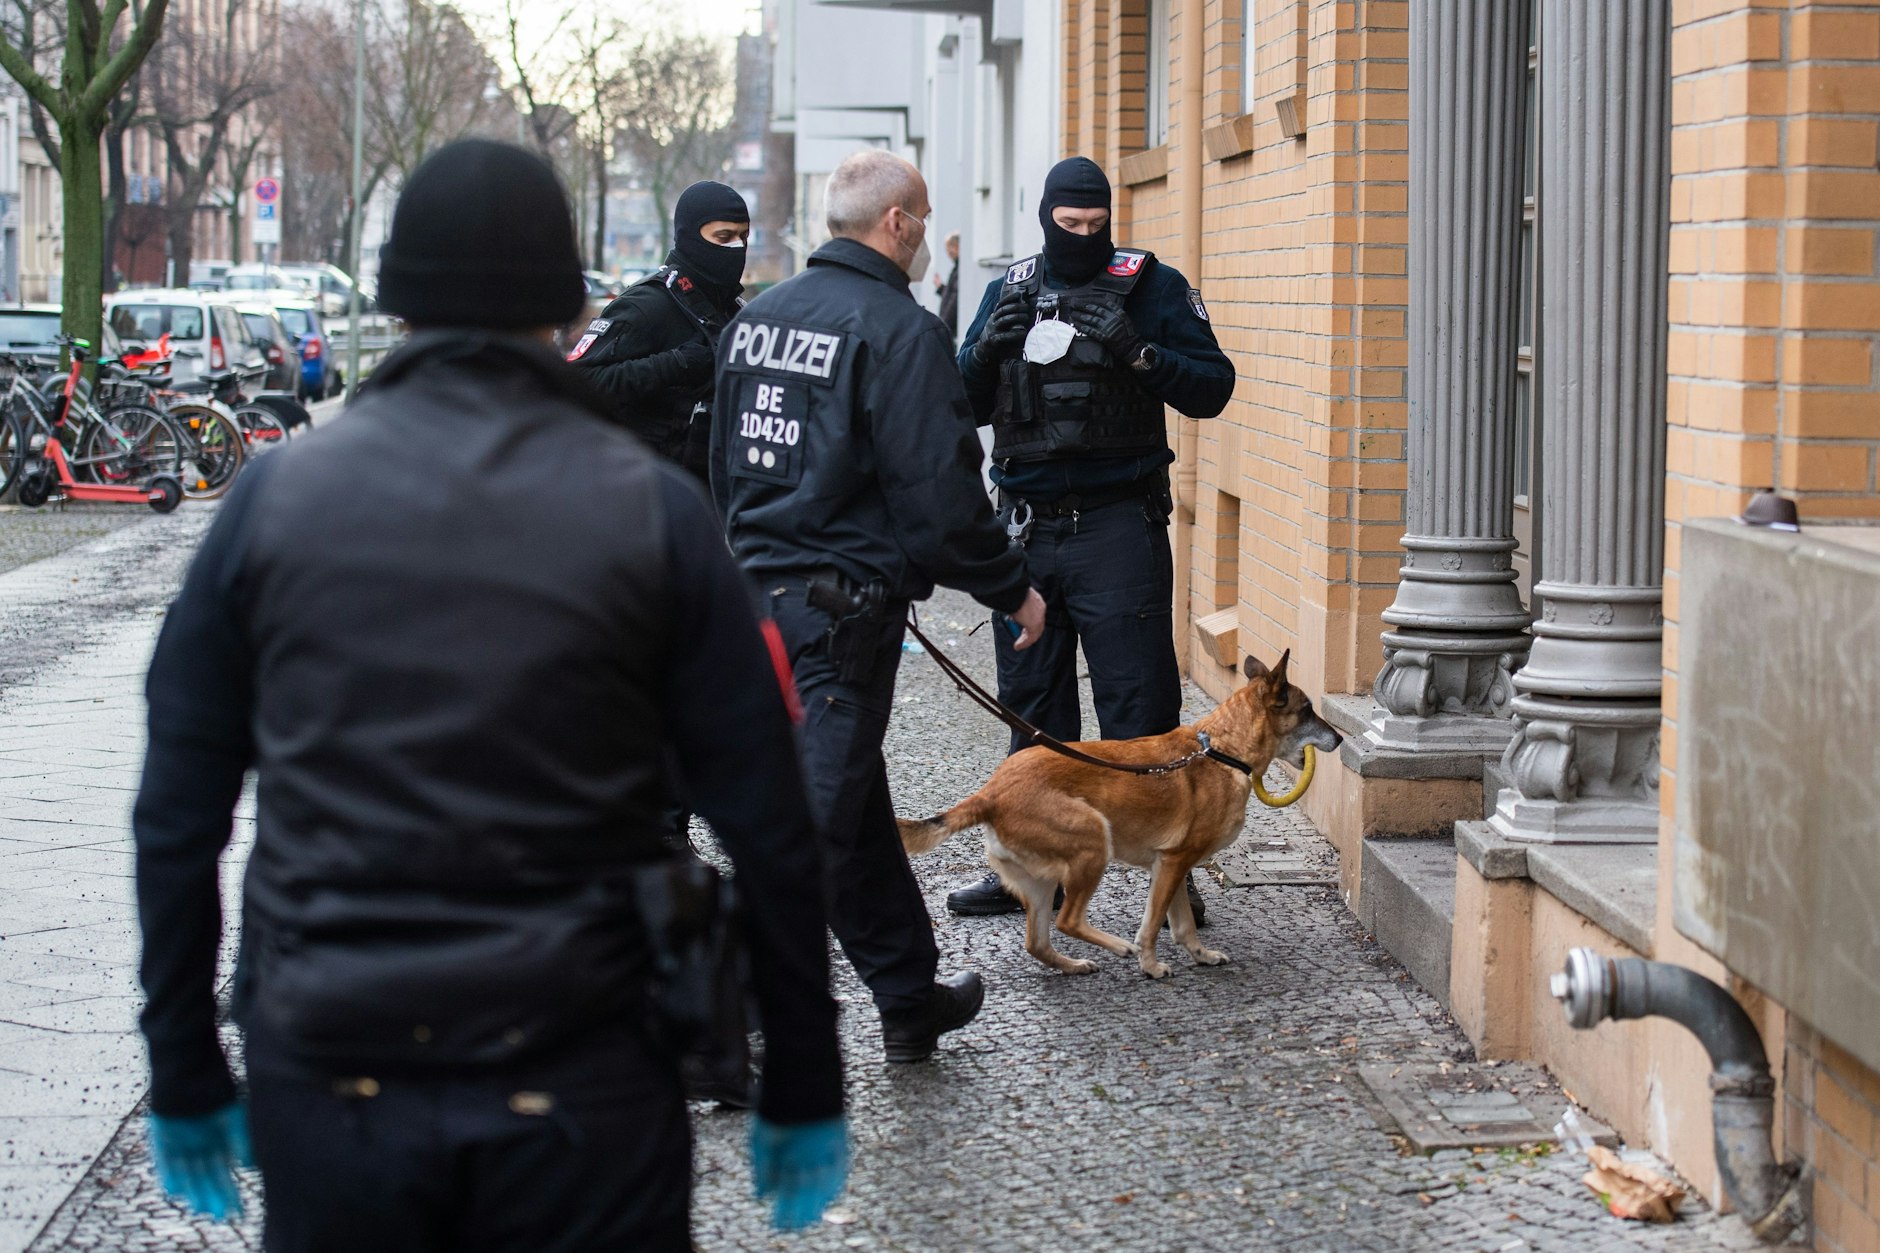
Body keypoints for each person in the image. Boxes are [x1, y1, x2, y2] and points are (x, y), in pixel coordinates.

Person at [132, 140, 846, 1252]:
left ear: (396, 300)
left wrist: (181, 1057)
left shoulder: (274, 500)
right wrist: (802, 1069)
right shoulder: (655, 516)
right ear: (566, 307)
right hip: (583, 1071)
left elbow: (178, 810)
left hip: (334, 1064)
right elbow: (770, 817)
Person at [711, 149, 1047, 1063]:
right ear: (895, 223)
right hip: (838, 621)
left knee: (849, 808)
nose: (930, 247)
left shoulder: (757, 322)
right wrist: (1009, 585)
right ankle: (725, 1018)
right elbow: (941, 496)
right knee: (810, 821)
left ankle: (907, 995)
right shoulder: (897, 332)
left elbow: (726, 469)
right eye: (924, 220)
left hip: (755, 605)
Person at [945, 155, 1235, 920]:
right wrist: (983, 353)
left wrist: (1142, 351)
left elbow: (1214, 385)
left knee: (1138, 706)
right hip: (1031, 532)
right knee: (1033, 708)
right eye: (1067, 225)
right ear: (1044, 217)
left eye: (1094, 225)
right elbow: (956, 400)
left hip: (1118, 526)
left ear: (1109, 219)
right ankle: (1027, 866)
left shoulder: (1153, 286)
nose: (1080, 237)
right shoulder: (1007, 290)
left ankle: (1174, 872)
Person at [567, 180, 751, 485]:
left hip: (716, 491)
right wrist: (675, 364)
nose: (736, 247)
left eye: (743, 237)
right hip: (648, 493)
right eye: (724, 236)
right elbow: (579, 382)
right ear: (691, 236)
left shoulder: (733, 309)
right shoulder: (647, 305)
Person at [935, 230, 962, 343]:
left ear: (957, 247)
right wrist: (941, 287)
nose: (947, 252)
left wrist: (944, 324)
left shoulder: (960, 270)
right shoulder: (957, 269)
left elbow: (954, 299)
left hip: (950, 329)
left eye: (948, 247)